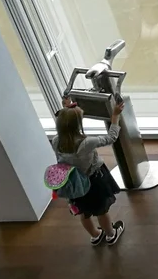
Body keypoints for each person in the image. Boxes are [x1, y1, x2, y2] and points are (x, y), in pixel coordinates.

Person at [53, 97, 125, 245]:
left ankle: (95, 235)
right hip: (94, 181)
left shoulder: (56, 141)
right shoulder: (87, 143)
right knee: (101, 211)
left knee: (84, 213)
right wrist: (115, 115)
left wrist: (66, 109)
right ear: (77, 125)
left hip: (74, 184)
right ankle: (111, 234)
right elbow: (111, 138)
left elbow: (65, 121)